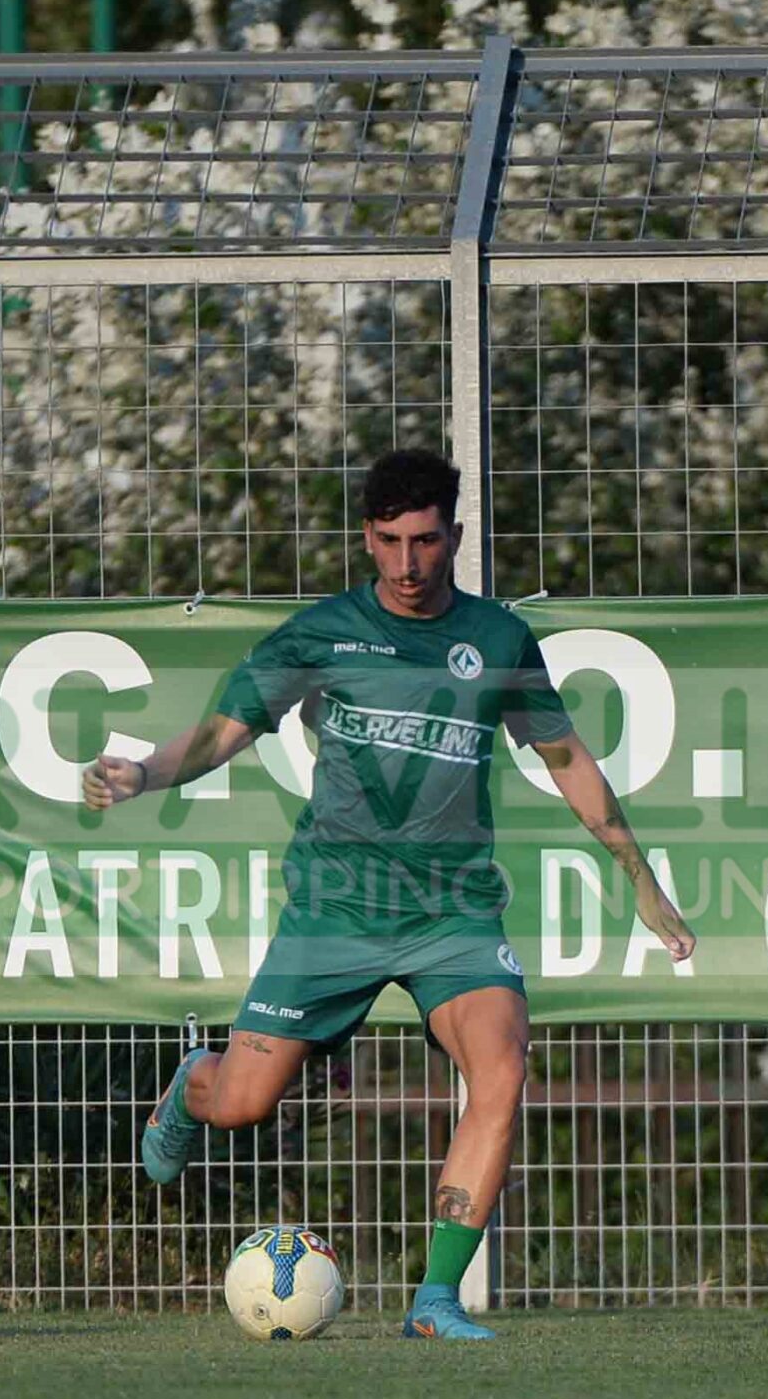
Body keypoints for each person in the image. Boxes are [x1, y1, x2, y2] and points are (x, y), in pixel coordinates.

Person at [83, 449, 696, 1339]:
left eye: (426, 541)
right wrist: (143, 772)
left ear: (456, 536)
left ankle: (435, 1299)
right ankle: (191, 1086)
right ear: (366, 538)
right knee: (243, 1105)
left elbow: (564, 756)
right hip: (335, 908)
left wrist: (640, 877)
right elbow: (221, 734)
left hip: (454, 913)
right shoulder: (321, 634)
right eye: (389, 541)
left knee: (502, 1071)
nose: (408, 564)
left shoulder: (498, 641)